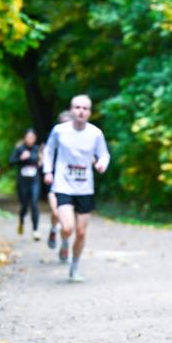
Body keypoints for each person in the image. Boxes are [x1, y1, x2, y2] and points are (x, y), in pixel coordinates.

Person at [42, 95, 110, 282]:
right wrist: (48, 171)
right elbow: (48, 151)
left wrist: (102, 164)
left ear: (89, 112)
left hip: (85, 188)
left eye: (85, 108)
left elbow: (103, 154)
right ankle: (63, 239)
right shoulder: (59, 131)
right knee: (67, 227)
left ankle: (75, 266)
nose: (81, 111)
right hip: (63, 185)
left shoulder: (95, 133)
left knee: (81, 232)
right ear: (71, 110)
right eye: (77, 107)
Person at [41, 110, 72, 250]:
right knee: (55, 212)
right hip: (54, 180)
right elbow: (45, 153)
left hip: (72, 183)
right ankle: (54, 229)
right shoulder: (54, 139)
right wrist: (47, 171)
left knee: (68, 220)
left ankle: (65, 242)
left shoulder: (78, 140)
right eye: (62, 123)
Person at [9, 129, 42, 239]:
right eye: (28, 137)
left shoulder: (37, 150)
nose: (30, 139)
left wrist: (41, 161)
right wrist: (21, 158)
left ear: (35, 138)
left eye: (32, 137)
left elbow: (41, 164)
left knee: (34, 204)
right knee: (24, 205)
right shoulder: (19, 149)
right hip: (23, 182)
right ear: (24, 138)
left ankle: (35, 230)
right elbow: (11, 162)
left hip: (34, 181)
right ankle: (21, 221)